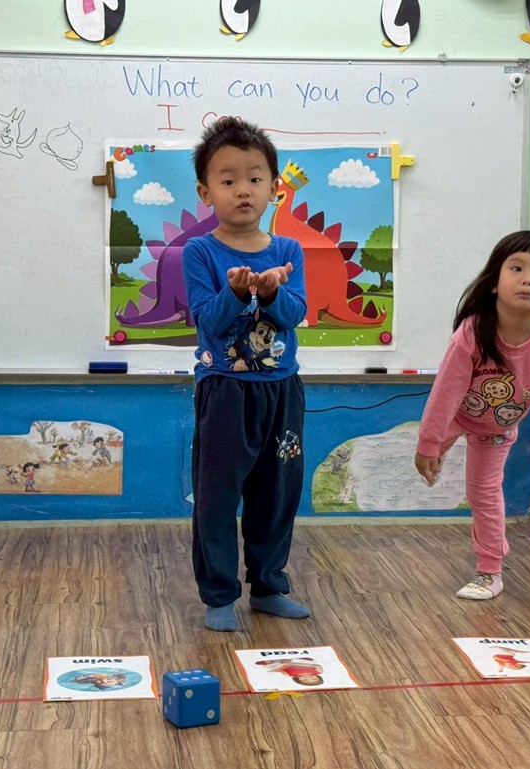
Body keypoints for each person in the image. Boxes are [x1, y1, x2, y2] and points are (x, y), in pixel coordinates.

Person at [181, 115, 310, 632]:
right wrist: (236, 291)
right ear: (205, 192)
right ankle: (219, 594)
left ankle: (269, 587)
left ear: (274, 187)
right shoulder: (199, 251)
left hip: (282, 392)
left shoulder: (288, 251)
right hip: (225, 392)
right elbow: (208, 322)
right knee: (217, 496)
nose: (243, 190)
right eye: (228, 179)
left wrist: (273, 291)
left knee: (277, 492)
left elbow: (294, 314)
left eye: (255, 178)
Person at [414, 230, 530, 600]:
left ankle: (489, 571)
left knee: (483, 493)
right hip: (457, 415)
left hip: (497, 429)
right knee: (430, 453)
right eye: (516, 268)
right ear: (493, 283)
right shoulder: (471, 334)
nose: (528, 279)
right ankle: (436, 450)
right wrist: (430, 444)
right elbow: (445, 394)